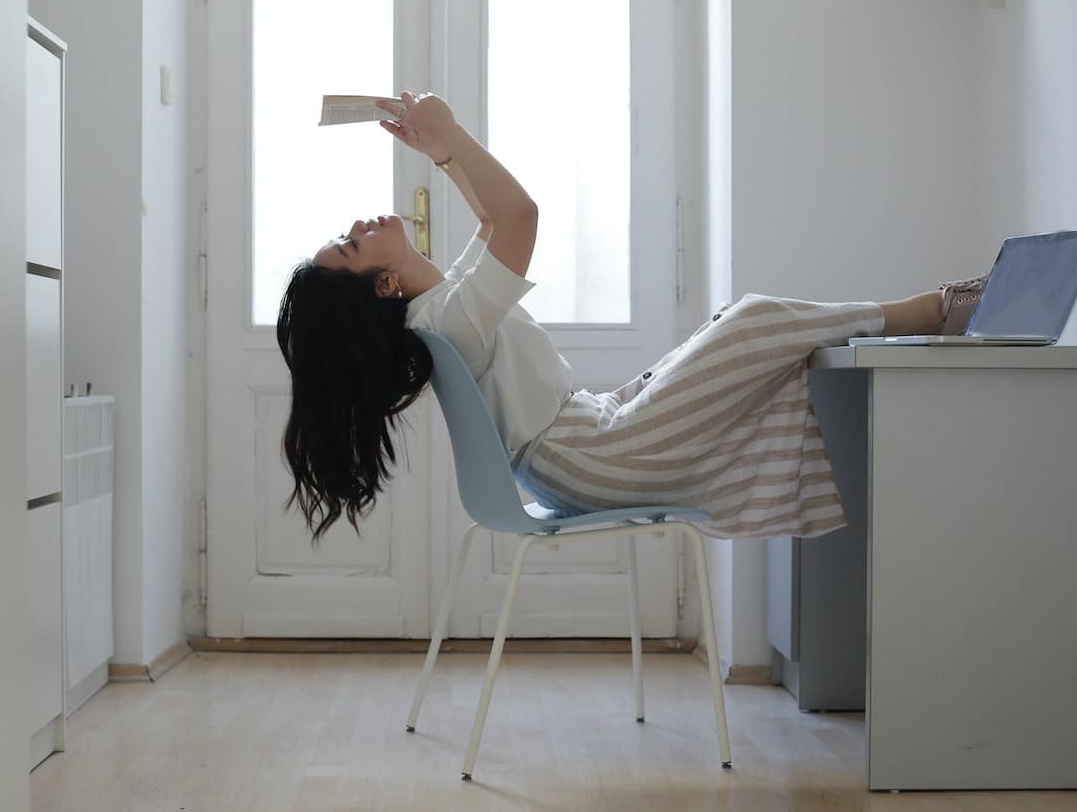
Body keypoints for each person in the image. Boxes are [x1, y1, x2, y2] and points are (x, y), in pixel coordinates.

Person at [276, 91, 985, 542]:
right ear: (381, 284)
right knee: (751, 320)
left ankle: (930, 309)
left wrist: (441, 150)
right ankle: (932, 308)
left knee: (730, 324)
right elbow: (520, 216)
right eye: (351, 244)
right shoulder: (450, 320)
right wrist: (452, 138)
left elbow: (495, 217)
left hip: (592, 438)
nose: (360, 223)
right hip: (593, 455)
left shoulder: (445, 306)